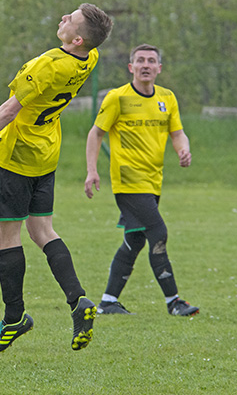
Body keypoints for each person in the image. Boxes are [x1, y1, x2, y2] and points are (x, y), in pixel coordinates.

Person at [0, 3, 113, 353]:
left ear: (78, 39)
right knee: (42, 230)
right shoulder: (89, 58)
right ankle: (78, 300)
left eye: (71, 19)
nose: (62, 17)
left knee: (6, 236)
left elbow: (9, 109)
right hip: (47, 153)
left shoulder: (46, 65)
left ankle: (14, 317)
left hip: (16, 156)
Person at [84, 44, 199, 317]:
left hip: (153, 181)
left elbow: (178, 133)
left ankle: (108, 301)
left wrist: (183, 148)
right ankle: (174, 301)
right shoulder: (117, 98)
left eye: (151, 61)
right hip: (128, 181)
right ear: (131, 67)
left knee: (135, 241)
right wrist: (92, 170)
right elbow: (95, 134)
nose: (145, 65)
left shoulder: (167, 98)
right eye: (140, 61)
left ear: (159, 68)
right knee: (158, 233)